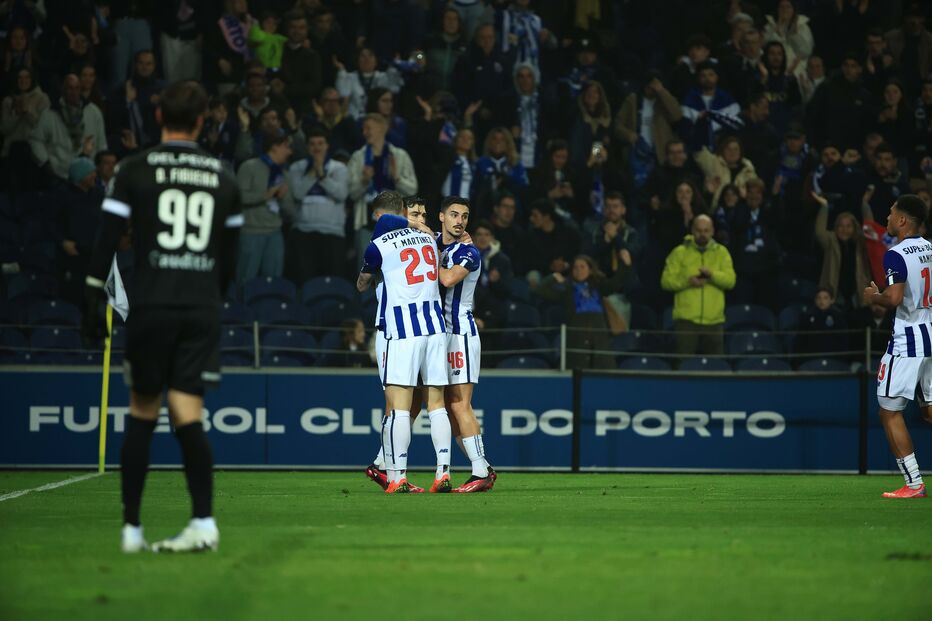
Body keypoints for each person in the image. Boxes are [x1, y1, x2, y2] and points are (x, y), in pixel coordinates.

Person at [82, 80, 243, 552]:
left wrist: (93, 294)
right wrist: (208, 297)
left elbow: (107, 237)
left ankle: (132, 530)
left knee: (142, 411)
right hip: (198, 307)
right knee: (188, 415)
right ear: (202, 122)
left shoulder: (134, 169)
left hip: (150, 303)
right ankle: (204, 522)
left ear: (158, 118)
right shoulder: (223, 176)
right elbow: (229, 263)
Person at [356, 191, 451, 494]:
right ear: (402, 214)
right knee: (434, 405)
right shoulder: (430, 241)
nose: (420, 219)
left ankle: (393, 472)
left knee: (398, 406)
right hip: (434, 329)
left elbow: (362, 283)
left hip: (398, 330)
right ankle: (442, 471)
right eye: (415, 214)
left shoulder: (379, 246)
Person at [863, 194, 929, 498]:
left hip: (908, 340)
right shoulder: (930, 249)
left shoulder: (896, 253)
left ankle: (914, 483)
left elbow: (893, 298)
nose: (887, 218)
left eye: (890, 214)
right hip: (931, 333)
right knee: (928, 410)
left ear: (902, 220)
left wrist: (872, 296)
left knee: (888, 411)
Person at [436, 196, 496, 493]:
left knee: (460, 403)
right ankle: (480, 467)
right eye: (454, 214)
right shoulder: (435, 242)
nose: (460, 220)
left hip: (460, 334)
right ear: (441, 217)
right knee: (449, 406)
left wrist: (425, 256)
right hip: (439, 335)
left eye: (465, 216)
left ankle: (480, 469)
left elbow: (447, 280)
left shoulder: (469, 252)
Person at [661, 214, 736, 362]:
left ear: (712, 231)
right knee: (683, 369)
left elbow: (730, 281)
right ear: (692, 231)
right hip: (686, 323)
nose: (702, 234)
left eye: (706, 230)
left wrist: (712, 275)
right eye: (699, 230)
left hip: (714, 322)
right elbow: (666, 282)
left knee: (715, 371)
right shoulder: (679, 252)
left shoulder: (722, 252)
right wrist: (687, 281)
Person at [536, 254, 630, 369]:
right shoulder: (567, 290)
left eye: (582, 267)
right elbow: (539, 290)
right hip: (576, 340)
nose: (579, 270)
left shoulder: (599, 286)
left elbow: (616, 283)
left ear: (590, 270)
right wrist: (554, 276)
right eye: (576, 267)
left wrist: (625, 265)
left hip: (599, 341)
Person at [286, 126, 349, 282]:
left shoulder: (339, 168)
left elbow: (341, 194)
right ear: (308, 147)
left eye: (320, 143)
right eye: (313, 144)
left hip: (333, 232)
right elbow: (298, 194)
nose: (316, 148)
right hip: (303, 231)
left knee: (333, 282)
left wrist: (322, 175)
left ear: (327, 146)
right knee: (305, 281)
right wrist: (313, 173)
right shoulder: (297, 168)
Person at [235, 132, 294, 284]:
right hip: (251, 232)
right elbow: (238, 198)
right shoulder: (249, 167)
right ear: (275, 147)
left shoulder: (284, 174)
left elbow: (290, 210)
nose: (290, 152)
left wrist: (282, 199)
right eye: (286, 147)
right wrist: (265, 195)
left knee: (273, 283)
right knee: (245, 281)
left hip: (275, 233)